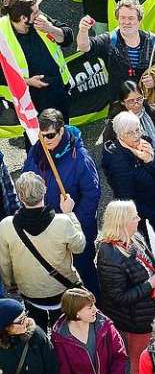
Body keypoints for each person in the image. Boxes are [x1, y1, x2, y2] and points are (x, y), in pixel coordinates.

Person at [95, 199, 155, 374]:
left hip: (148, 310)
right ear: (123, 222)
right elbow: (117, 297)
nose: (138, 219)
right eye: (134, 216)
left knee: (149, 356)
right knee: (139, 361)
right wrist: (150, 284)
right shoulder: (109, 254)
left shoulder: (134, 239)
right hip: (135, 319)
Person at [23, 110, 101, 296]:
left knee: (83, 274)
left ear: (61, 130)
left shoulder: (80, 157)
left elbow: (92, 195)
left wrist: (71, 220)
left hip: (77, 229)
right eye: (42, 135)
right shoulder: (37, 150)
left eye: (50, 135)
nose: (45, 140)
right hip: (47, 229)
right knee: (57, 275)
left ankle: (96, 308)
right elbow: (28, 176)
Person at [0, 173, 85, 332]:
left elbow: (4, 263)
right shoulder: (63, 222)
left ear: (20, 197)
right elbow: (79, 247)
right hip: (61, 290)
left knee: (35, 330)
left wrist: (10, 285)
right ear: (44, 191)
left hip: (29, 293)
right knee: (63, 331)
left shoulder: (5, 226)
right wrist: (70, 213)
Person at [77, 0, 155, 102]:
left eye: (131, 18)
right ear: (117, 19)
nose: (126, 22)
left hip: (149, 102)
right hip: (120, 103)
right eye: (122, 18)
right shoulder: (109, 40)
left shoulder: (152, 41)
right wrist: (83, 30)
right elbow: (84, 47)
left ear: (139, 20)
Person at [0, 0, 75, 120]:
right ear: (23, 18)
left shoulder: (40, 21)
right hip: (30, 100)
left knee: (62, 127)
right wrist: (27, 81)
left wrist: (51, 29)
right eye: (35, 12)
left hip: (58, 88)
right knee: (37, 136)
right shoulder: (3, 36)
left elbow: (68, 37)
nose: (39, 13)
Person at [102, 110, 155, 244]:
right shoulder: (117, 160)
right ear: (119, 135)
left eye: (137, 130)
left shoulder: (144, 143)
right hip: (144, 214)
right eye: (130, 133)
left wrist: (150, 162)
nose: (136, 136)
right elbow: (126, 196)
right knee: (153, 243)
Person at [51, 288, 128, 374]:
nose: (95, 310)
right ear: (77, 312)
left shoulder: (106, 327)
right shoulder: (60, 338)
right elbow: (64, 373)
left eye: (94, 305)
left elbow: (119, 357)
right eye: (90, 307)